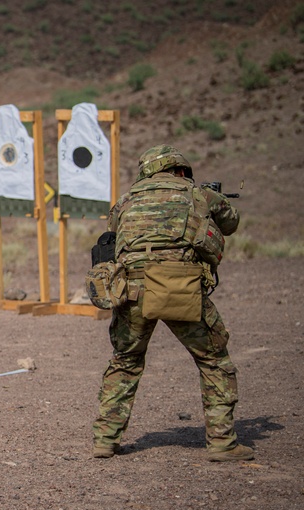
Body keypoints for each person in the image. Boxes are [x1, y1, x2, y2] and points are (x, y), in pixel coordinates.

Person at [92, 144, 253, 462]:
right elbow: (231, 222)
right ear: (180, 170)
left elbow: (113, 232)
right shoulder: (196, 194)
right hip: (178, 284)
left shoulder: (125, 200)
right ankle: (222, 443)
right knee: (214, 361)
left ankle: (105, 440)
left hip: (131, 288)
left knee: (125, 361)